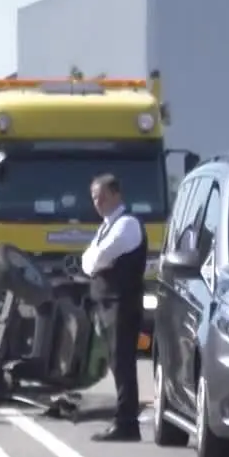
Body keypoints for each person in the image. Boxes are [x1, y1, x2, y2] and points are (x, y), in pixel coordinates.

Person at [81, 173, 147, 442]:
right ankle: (123, 419)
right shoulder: (106, 226)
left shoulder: (127, 224)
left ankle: (127, 422)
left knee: (123, 363)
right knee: (116, 363)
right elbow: (88, 261)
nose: (97, 203)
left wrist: (98, 263)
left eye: (102, 196)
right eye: (94, 198)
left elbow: (99, 257)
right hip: (107, 304)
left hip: (122, 304)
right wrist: (97, 263)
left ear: (116, 195)